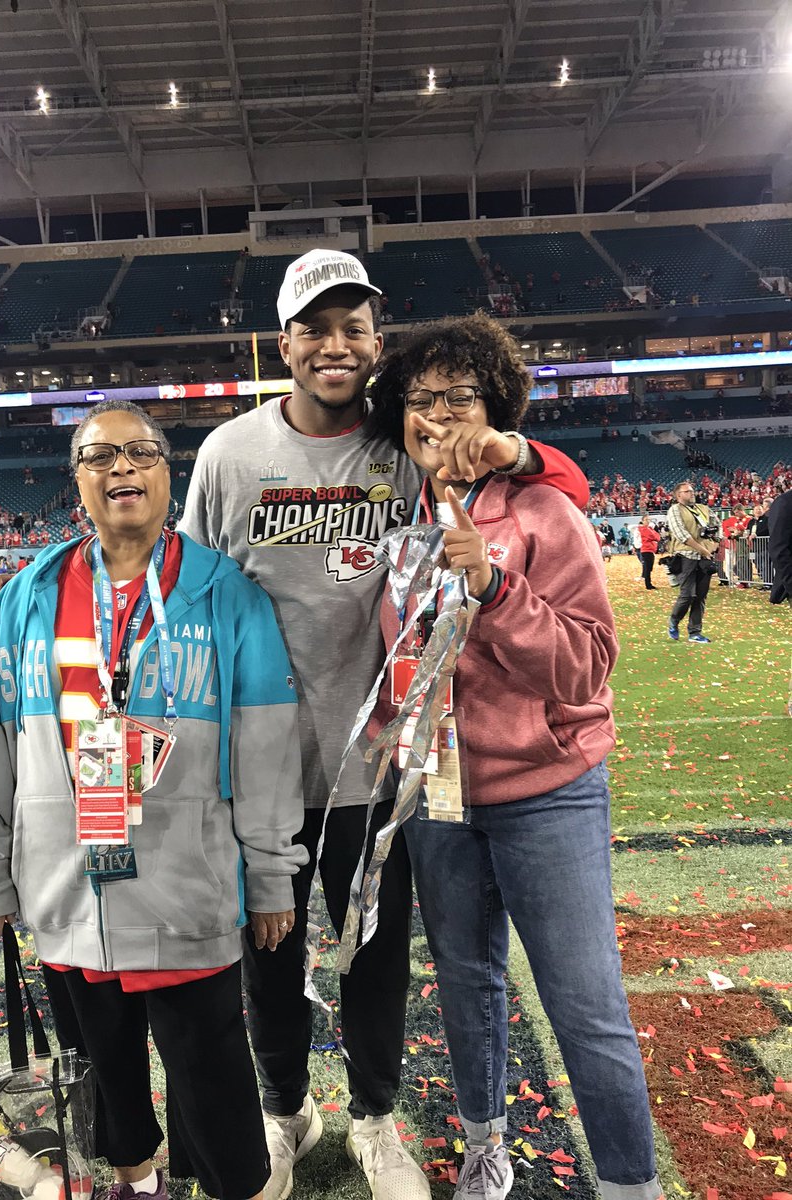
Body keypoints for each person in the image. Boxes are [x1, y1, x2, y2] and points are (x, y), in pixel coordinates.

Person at [180, 249, 589, 1200]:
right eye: (315, 329)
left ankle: (373, 1117)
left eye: (354, 329)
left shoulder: (407, 445)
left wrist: (516, 451)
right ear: (283, 343)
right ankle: (287, 1111)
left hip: (381, 766)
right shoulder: (228, 455)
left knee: (374, 960)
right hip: (262, 772)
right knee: (268, 964)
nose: (335, 346)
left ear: (375, 342)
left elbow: (559, 482)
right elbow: (193, 600)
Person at [0, 399, 306, 1200]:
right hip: (66, 886)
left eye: (140, 452)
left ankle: (239, 1187)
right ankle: (136, 1181)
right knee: (102, 1068)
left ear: (167, 473)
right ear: (76, 480)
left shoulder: (227, 596)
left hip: (187, 888)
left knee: (211, 1072)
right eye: (100, 456)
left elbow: (267, 748)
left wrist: (272, 873)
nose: (122, 469)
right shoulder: (25, 599)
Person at [369, 312, 664, 1200]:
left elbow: (587, 666)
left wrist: (496, 589)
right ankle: (484, 1145)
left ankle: (629, 1184)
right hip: (440, 796)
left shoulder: (544, 510)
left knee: (584, 1002)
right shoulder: (400, 518)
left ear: (495, 407)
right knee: (467, 985)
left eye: (459, 395)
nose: (437, 414)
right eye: (420, 398)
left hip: (547, 792)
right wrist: (391, 735)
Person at [666, 480, 719, 643]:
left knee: (700, 596)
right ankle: (674, 620)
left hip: (704, 558)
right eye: (687, 491)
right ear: (678, 495)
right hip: (686, 556)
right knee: (687, 594)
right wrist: (702, 549)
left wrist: (714, 544)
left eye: (692, 490)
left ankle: (695, 632)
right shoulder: (675, 510)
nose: (692, 493)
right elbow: (682, 535)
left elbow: (718, 526)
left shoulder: (703, 508)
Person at [638, 514, 660, 589]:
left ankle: (648, 583)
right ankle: (648, 584)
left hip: (650, 550)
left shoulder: (649, 528)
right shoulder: (643, 529)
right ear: (642, 521)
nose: (648, 521)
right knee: (648, 568)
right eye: (646, 520)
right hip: (646, 550)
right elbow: (654, 536)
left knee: (649, 568)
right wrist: (655, 537)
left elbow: (657, 536)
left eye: (649, 520)